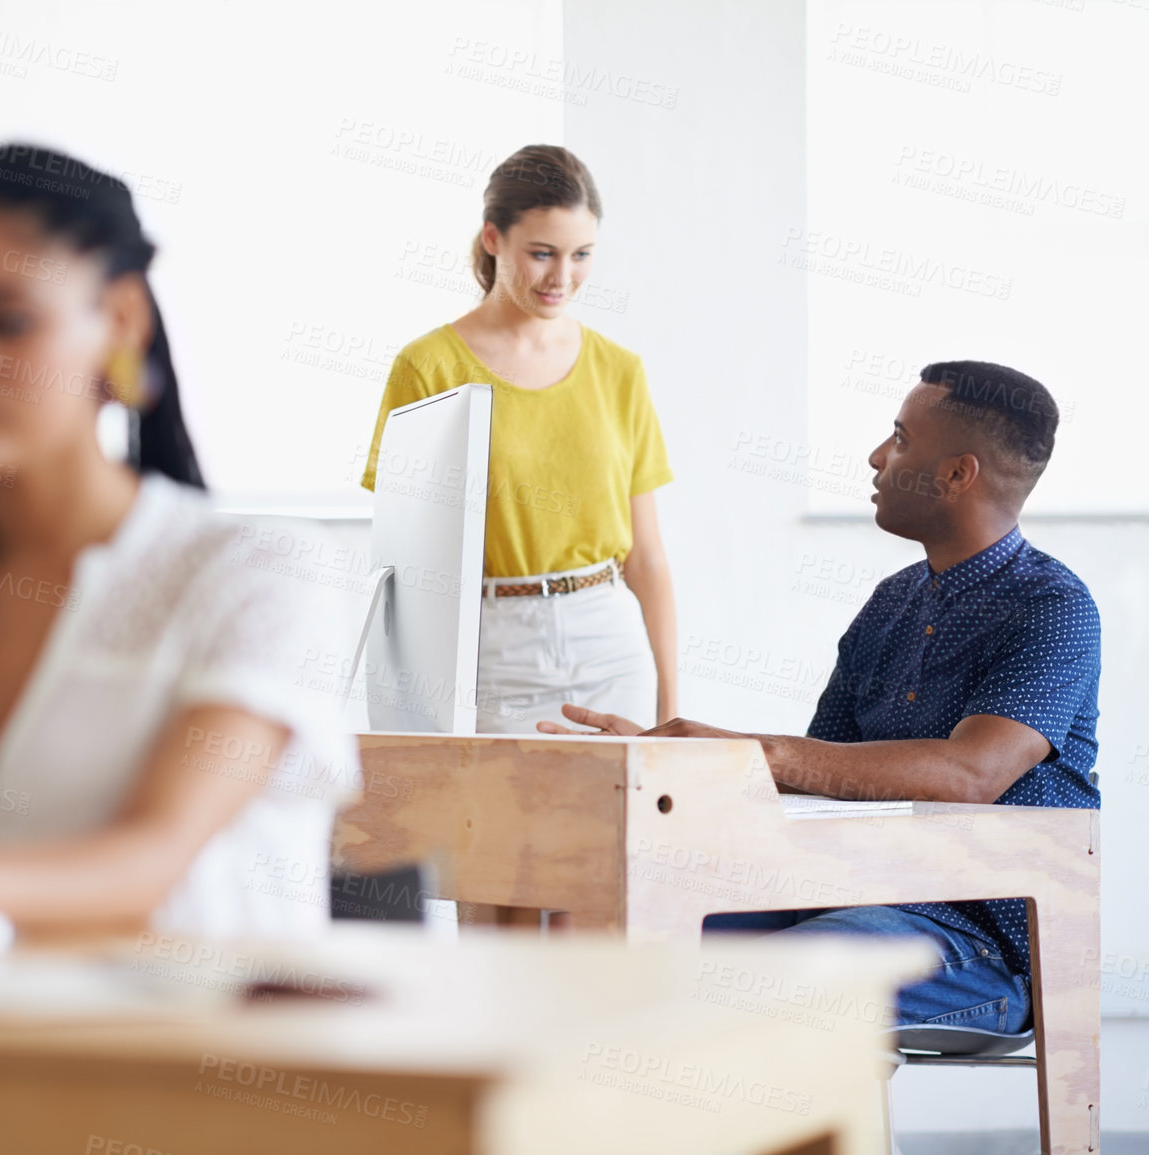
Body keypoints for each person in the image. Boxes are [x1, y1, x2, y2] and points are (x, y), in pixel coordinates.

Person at [0, 144, 358, 938]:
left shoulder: (258, 574)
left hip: (198, 1052)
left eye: (6, 319)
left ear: (119, 321)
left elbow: (146, 863)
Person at [541, 362, 1099, 1031]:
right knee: (606, 935)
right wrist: (680, 765)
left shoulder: (1051, 606)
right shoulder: (890, 604)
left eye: (898, 439)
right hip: (841, 894)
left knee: (748, 983)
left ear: (957, 473)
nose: (874, 457)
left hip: (978, 945)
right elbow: (811, 787)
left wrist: (757, 751)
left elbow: (970, 773)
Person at [360, 144, 678, 733]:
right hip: (489, 648)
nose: (563, 278)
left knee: (617, 823)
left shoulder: (620, 370)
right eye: (541, 253)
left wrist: (671, 708)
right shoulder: (428, 367)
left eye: (582, 255)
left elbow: (648, 556)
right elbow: (404, 561)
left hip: (609, 642)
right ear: (492, 239)